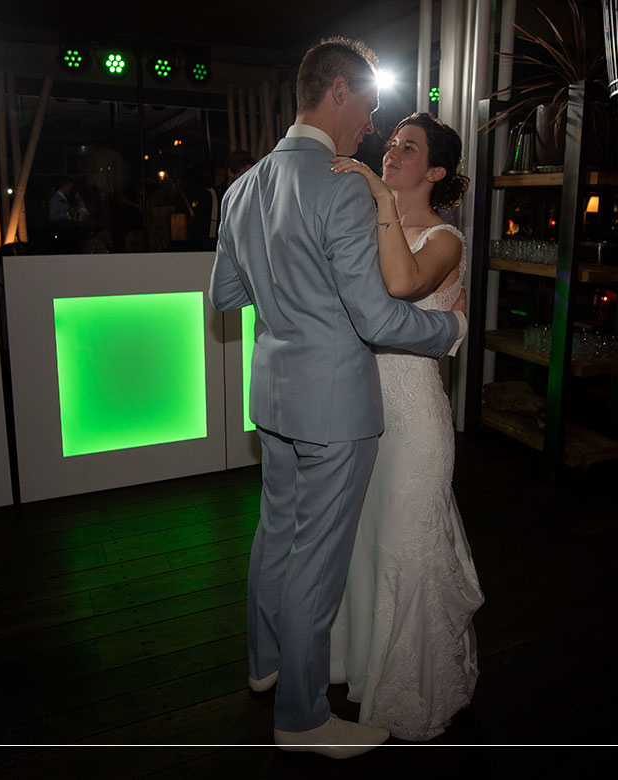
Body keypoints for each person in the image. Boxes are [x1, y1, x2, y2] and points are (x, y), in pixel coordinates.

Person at [209, 37, 467, 758]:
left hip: (274, 394)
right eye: (369, 107)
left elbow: (226, 294)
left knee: (275, 535)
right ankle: (301, 716)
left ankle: (263, 665)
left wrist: (289, 294)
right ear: (341, 91)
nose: (370, 127)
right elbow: (377, 319)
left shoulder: (243, 186)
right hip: (335, 406)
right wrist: (448, 326)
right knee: (317, 562)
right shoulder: (342, 186)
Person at [326, 112, 484, 741]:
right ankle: (355, 668)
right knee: (361, 546)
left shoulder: (447, 240)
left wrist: (376, 193)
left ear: (436, 171)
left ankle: (410, 694)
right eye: (389, 143)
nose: (391, 152)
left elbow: (401, 282)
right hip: (359, 408)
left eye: (407, 148)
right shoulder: (368, 222)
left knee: (404, 548)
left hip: (415, 418)